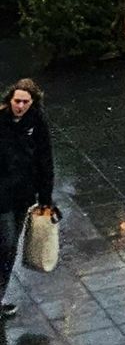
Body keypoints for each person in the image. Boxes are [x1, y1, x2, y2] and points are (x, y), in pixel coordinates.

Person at [0, 80, 54, 318]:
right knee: (7, 243)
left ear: (33, 103)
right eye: (16, 101)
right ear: (9, 100)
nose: (20, 106)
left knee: (9, 249)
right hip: (1, 195)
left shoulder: (37, 124)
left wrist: (45, 198)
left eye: (25, 102)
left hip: (22, 195)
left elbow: (45, 160)